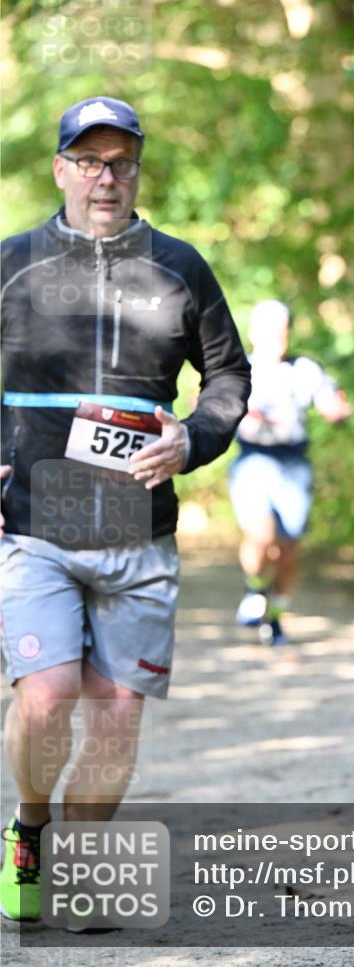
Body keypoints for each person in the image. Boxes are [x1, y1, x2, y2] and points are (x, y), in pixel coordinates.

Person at [0, 96, 251, 923]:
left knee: (115, 714)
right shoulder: (13, 264)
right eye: (90, 161)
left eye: (122, 163)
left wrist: (196, 439)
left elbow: (227, 379)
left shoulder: (180, 267)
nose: (106, 178)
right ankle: (30, 828)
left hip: (138, 529)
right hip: (34, 523)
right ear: (60, 168)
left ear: (139, 170)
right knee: (45, 697)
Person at [229, 299, 351, 646]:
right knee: (260, 535)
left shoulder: (305, 370)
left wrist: (337, 411)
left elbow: (330, 402)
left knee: (288, 548)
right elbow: (208, 403)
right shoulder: (238, 368)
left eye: (281, 332)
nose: (276, 339)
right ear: (253, 333)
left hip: (294, 466)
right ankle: (254, 589)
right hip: (253, 460)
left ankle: (277, 616)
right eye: (268, 332)